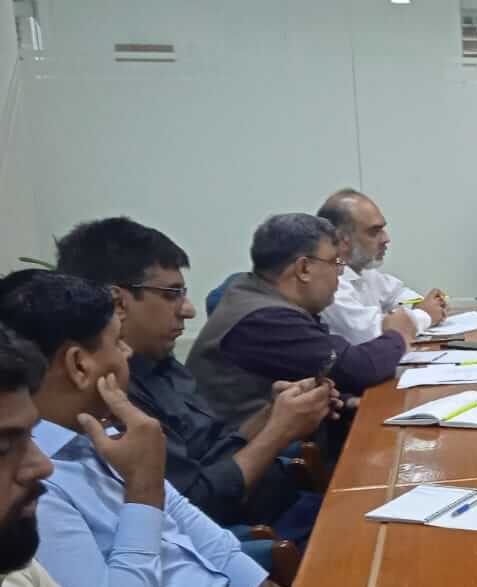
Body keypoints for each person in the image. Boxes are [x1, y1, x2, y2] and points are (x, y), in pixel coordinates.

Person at [0, 322, 384, 587]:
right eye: (5, 446)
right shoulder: (33, 512)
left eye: (29, 437)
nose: (41, 465)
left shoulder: (15, 574)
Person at [0, 271, 288, 587]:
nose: (127, 353)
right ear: (79, 365)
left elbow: (203, 536)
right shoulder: (30, 484)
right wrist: (143, 488)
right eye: (117, 342)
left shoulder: (102, 433)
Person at [54, 217, 332, 538]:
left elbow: (215, 450)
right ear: (119, 303)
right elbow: (198, 506)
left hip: (283, 502)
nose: (188, 310)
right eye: (172, 293)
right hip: (259, 531)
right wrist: (279, 431)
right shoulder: (114, 393)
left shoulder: (159, 358)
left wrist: (273, 413)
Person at [189, 213, 412, 429]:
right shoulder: (266, 318)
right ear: (304, 268)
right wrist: (398, 335)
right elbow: (357, 368)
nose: (339, 274)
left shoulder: (257, 292)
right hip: (242, 447)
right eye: (335, 262)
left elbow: (314, 372)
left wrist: (345, 401)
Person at [316, 189, 449, 345]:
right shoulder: (325, 282)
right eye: (374, 232)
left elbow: (396, 294)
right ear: (342, 238)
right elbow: (368, 333)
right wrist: (425, 314)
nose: (386, 238)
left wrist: (420, 303)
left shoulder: (363, 271)